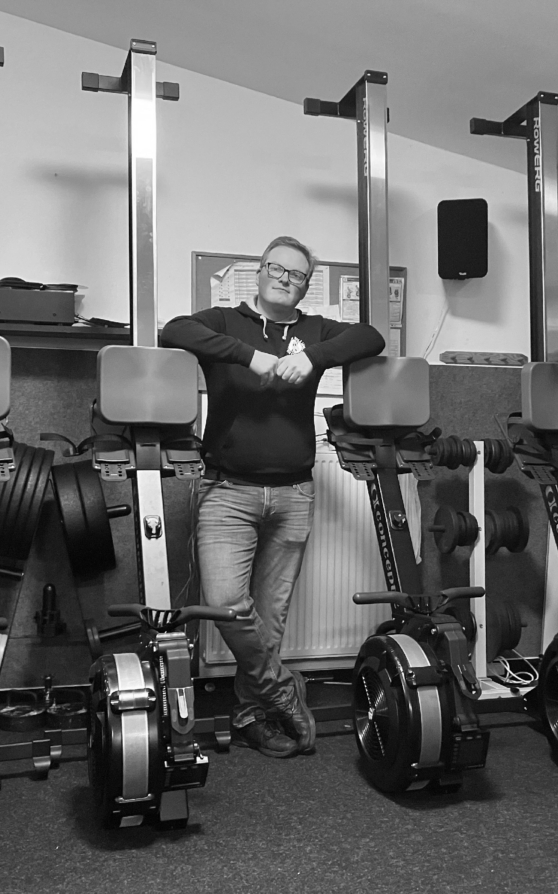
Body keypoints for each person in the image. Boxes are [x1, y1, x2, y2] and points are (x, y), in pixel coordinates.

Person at [161, 236, 386, 758]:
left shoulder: (316, 330)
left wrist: (313, 359)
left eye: (297, 275)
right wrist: (254, 358)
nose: (286, 280)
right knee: (226, 604)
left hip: (294, 494)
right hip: (227, 492)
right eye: (277, 269)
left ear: (306, 286)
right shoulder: (224, 321)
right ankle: (283, 689)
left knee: (269, 615)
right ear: (260, 272)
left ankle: (251, 714)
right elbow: (174, 330)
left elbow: (371, 336)